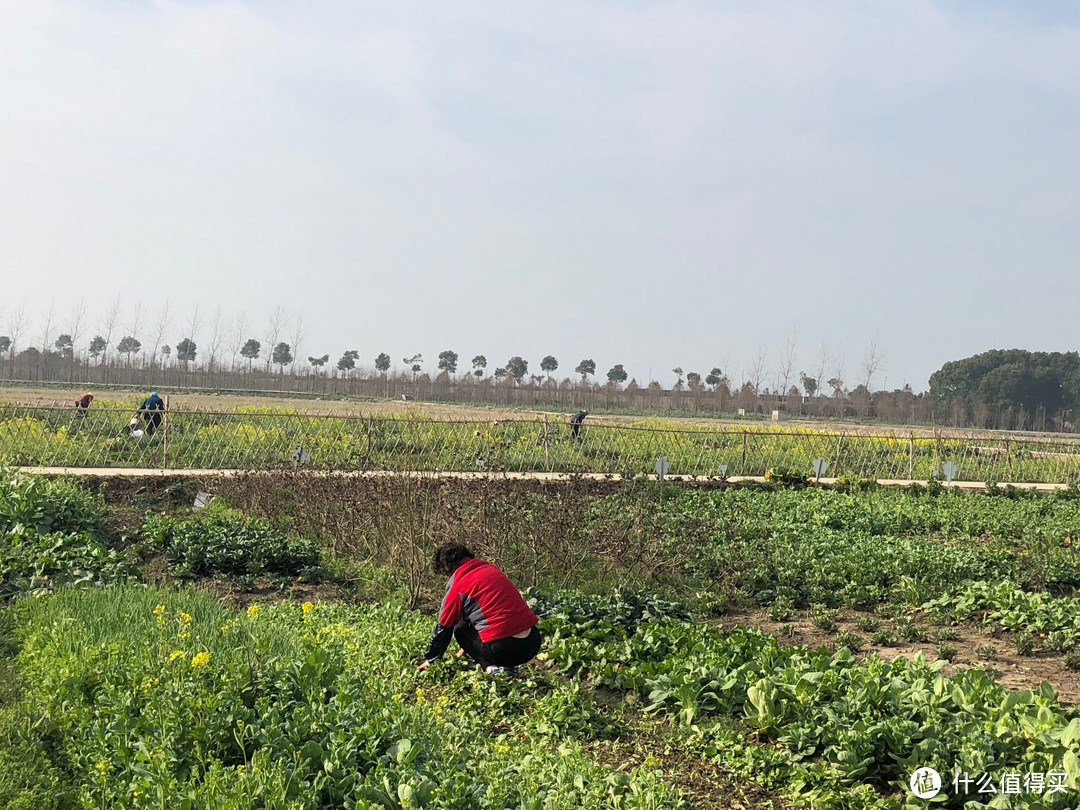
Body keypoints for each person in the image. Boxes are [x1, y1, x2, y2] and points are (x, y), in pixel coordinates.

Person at [418, 543, 541, 675]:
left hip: (504, 648)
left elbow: (443, 626)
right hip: (532, 642)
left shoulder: (458, 584)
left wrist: (431, 659)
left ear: (447, 569)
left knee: (459, 628)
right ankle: (509, 667)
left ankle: (491, 668)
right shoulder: (490, 569)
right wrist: (466, 649)